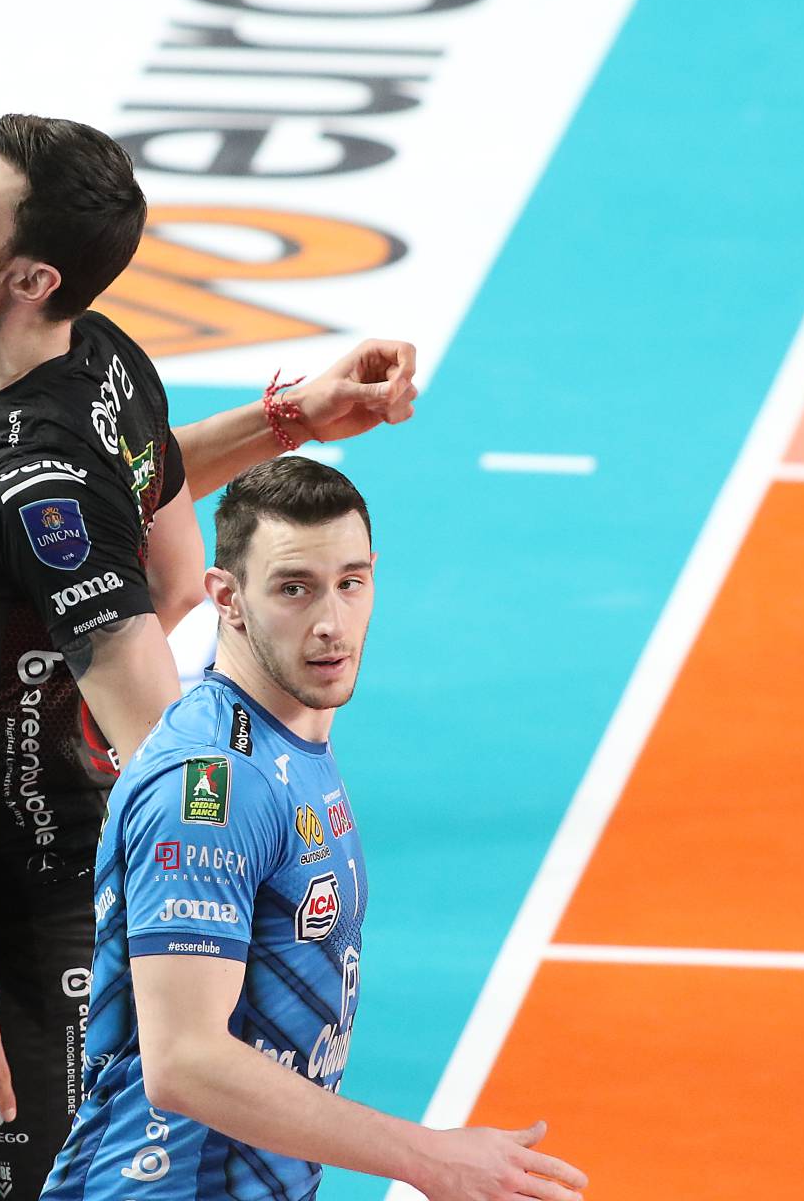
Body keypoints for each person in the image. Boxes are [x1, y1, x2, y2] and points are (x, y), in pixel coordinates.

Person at [0, 114, 418, 1199]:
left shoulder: (30, 485)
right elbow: (168, 551)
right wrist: (292, 417)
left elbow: (168, 758)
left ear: (29, 279)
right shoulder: (101, 356)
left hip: (45, 909)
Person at [39, 459, 589, 1201]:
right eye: (294, 588)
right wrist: (429, 1158)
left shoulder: (288, 741)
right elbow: (185, 1061)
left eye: (350, 583)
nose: (331, 623)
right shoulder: (212, 790)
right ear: (227, 599)